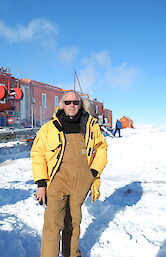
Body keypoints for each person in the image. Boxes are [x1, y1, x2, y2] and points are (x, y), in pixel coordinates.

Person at [31, 91, 108, 257]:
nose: (71, 105)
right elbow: (38, 155)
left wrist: (93, 172)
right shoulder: (49, 128)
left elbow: (102, 148)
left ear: (80, 104)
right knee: (52, 223)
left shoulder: (90, 125)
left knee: (73, 222)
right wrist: (41, 184)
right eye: (67, 102)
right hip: (58, 181)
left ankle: (72, 254)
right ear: (62, 104)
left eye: (75, 102)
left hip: (81, 181)